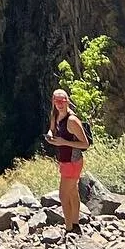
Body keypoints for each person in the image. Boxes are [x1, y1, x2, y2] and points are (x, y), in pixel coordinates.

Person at [45, 86, 90, 231]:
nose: (59, 103)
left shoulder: (72, 120)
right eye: (57, 100)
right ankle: (75, 225)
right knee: (72, 192)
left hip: (73, 161)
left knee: (63, 196)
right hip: (64, 160)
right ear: (53, 101)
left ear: (67, 101)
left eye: (62, 100)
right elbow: (52, 129)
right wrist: (50, 135)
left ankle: (69, 228)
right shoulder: (55, 115)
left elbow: (85, 144)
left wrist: (64, 142)